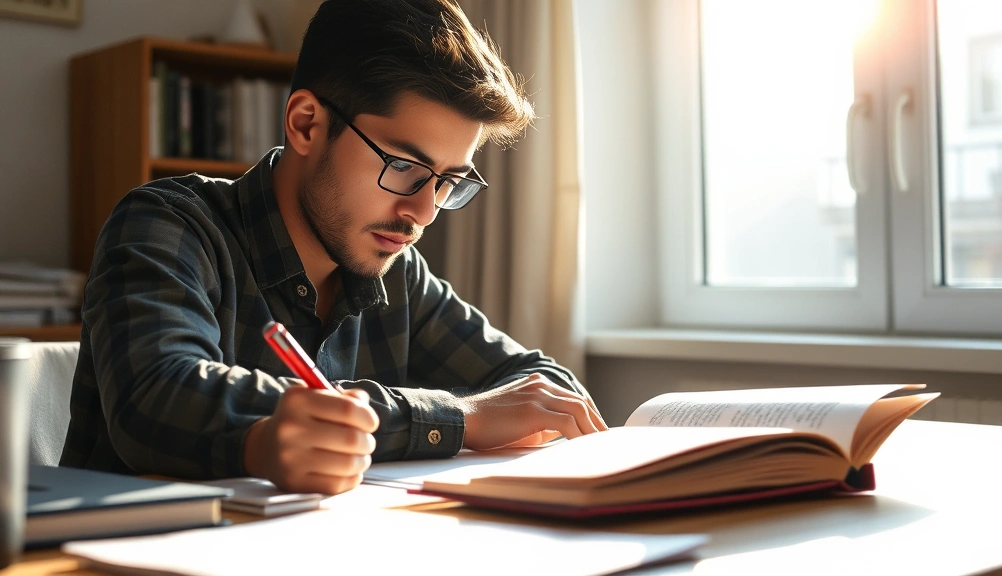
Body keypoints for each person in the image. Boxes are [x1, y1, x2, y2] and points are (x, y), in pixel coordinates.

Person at [60, 0, 606, 494]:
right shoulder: (168, 224)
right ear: (306, 123)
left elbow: (544, 388)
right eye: (403, 167)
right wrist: (459, 418)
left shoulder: (397, 272)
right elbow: (157, 396)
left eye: (448, 182)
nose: (422, 213)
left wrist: (486, 413)